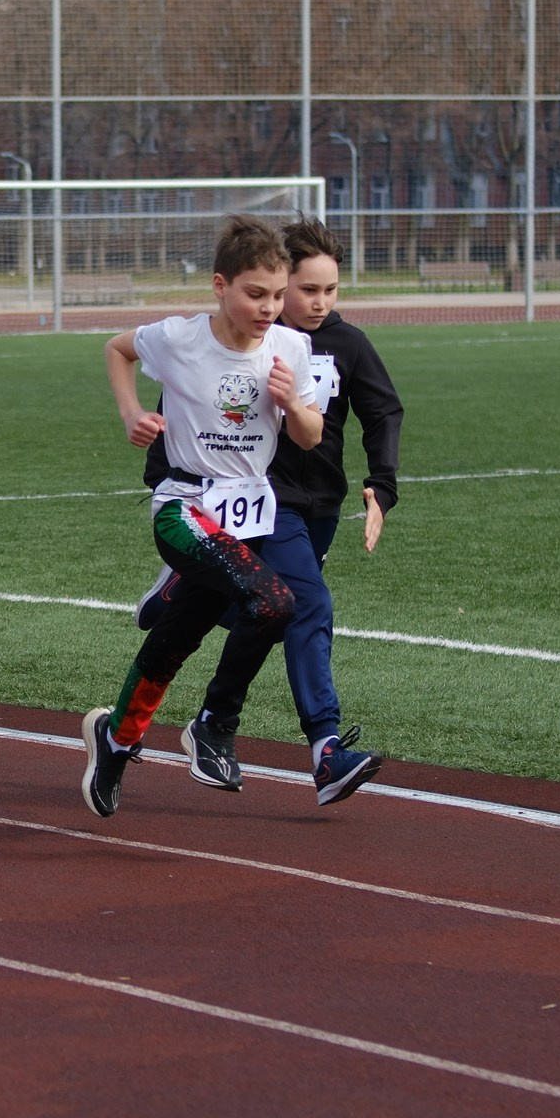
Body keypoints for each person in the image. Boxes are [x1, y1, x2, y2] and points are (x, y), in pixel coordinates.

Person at [77, 218, 319, 818]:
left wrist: (292, 403)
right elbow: (117, 349)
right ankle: (214, 725)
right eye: (255, 294)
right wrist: (132, 414)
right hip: (183, 506)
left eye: (278, 295)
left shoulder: (291, 348)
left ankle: (115, 739)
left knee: (177, 638)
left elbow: (310, 436)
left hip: (246, 516)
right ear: (220, 285)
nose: (269, 308)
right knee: (275, 603)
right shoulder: (179, 338)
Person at [186, 219, 399, 803]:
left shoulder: (348, 344)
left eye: (331, 290)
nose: (319, 302)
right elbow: (187, 401)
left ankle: (213, 716)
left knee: (271, 613)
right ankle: (327, 750)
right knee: (309, 604)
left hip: (320, 508)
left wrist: (381, 486)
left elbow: (384, 412)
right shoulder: (250, 338)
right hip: (261, 499)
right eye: (307, 290)